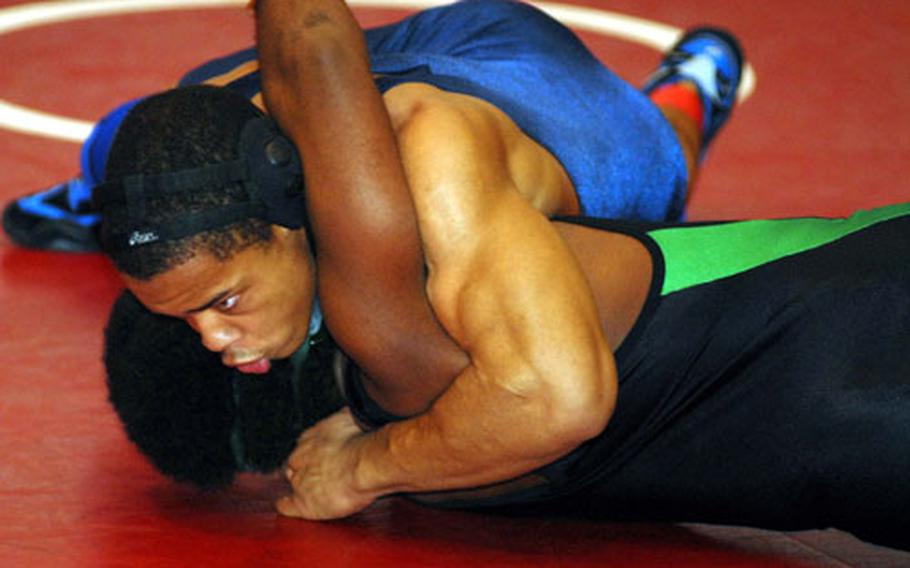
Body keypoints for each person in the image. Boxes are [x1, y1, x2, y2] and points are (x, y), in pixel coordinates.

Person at [2, 0, 742, 254]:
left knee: (656, 169)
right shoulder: (243, 122)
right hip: (468, 39)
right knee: (183, 104)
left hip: (587, 140)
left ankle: (690, 90)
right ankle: (106, 195)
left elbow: (556, 401)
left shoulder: (440, 213)